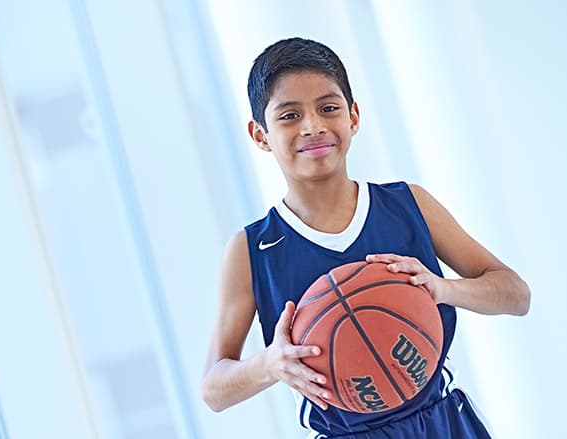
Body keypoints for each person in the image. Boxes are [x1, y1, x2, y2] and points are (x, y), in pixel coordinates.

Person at [201, 37, 530, 438]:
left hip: (443, 423)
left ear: (353, 117)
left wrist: (442, 289)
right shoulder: (252, 250)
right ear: (260, 135)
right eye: (289, 116)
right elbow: (213, 388)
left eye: (328, 108)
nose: (313, 126)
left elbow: (516, 294)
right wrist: (270, 364)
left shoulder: (409, 205)